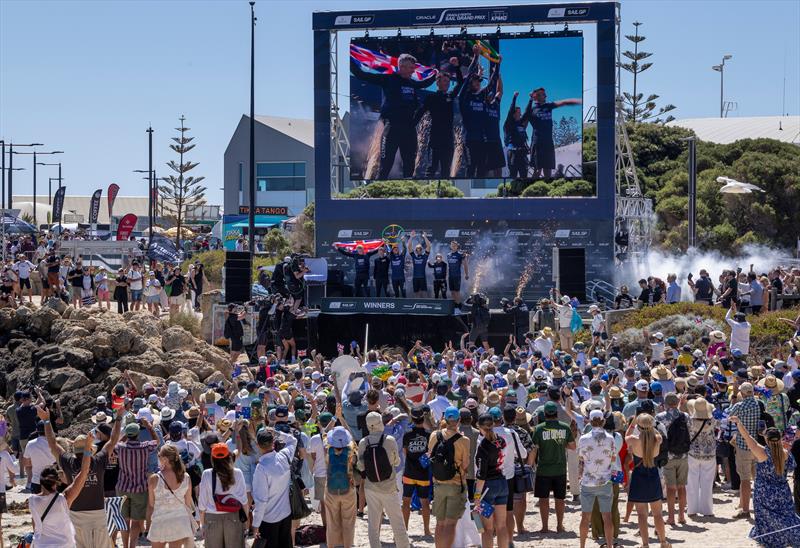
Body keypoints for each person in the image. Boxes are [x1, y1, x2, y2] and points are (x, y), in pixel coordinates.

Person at [42, 405, 121, 548]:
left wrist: (47, 421)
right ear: (90, 449)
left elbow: (52, 443)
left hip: (76, 514)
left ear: (74, 450)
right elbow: (113, 439)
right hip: (97, 514)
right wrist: (119, 417)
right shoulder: (98, 461)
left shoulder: (68, 462)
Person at [351, 52, 437, 179]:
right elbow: (361, 74)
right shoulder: (388, 79)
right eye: (411, 68)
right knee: (386, 164)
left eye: (414, 68)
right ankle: (380, 191)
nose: (413, 71)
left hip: (409, 128)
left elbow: (424, 83)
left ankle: (409, 192)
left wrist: (434, 74)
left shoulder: (412, 82)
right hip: (392, 127)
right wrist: (349, 60)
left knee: (409, 164)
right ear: (402, 66)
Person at [731, 416, 800, 547]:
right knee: (787, 517)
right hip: (782, 492)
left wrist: (739, 423)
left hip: (764, 493)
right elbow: (791, 466)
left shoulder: (762, 452)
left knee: (766, 520)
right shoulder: (785, 453)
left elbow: (747, 438)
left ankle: (770, 542)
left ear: (766, 440)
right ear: (780, 439)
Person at [29, 432, 93, 548]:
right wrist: (87, 448)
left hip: (41, 545)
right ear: (56, 482)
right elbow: (84, 473)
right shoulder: (63, 499)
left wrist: (46, 421)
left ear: (41, 482)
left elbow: (35, 525)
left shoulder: (32, 500)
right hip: (64, 544)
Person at [357, 411, 410, 548]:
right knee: (398, 524)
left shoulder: (363, 442)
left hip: (371, 486)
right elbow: (396, 462)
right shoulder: (389, 440)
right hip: (389, 487)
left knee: (373, 525)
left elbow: (361, 466)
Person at [625, 413, 670, 548]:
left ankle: (645, 544)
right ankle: (663, 542)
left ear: (639, 426)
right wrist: (650, 425)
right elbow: (656, 433)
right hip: (653, 475)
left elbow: (626, 435)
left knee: (641, 515)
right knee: (657, 514)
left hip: (639, 476)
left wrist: (633, 422)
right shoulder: (657, 438)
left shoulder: (633, 440)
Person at [413, 64, 465, 178]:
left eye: (448, 81)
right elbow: (420, 112)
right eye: (444, 81)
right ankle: (428, 192)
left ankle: (445, 193)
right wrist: (411, 125)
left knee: (446, 169)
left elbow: (460, 82)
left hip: (448, 139)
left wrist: (457, 67)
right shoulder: (431, 98)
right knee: (432, 167)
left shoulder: (451, 96)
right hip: (435, 138)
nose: (447, 83)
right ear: (438, 82)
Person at [531, 401, 575, 533]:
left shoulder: (539, 429)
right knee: (560, 499)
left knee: (543, 500)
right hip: (560, 469)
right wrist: (562, 445)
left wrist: (530, 464)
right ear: (556, 413)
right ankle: (559, 526)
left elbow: (534, 449)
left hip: (543, 469)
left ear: (544, 414)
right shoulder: (565, 427)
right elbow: (573, 446)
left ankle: (545, 527)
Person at [428, 406, 469, 548]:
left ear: (445, 419)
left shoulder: (434, 435)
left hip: (438, 483)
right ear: (458, 421)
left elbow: (430, 455)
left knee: (439, 523)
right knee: (451, 524)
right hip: (455, 484)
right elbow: (465, 465)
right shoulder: (464, 440)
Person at [251, 426, 298, 546]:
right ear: (273, 442)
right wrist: (277, 432)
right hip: (286, 513)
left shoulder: (261, 468)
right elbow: (293, 440)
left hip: (269, 519)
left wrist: (255, 525)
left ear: (258, 445)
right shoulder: (284, 457)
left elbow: (261, 500)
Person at [577, 409, 617, 548]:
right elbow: (613, 458)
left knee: (585, 517)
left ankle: (582, 545)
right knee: (607, 516)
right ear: (602, 420)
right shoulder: (610, 438)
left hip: (588, 482)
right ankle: (610, 545)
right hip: (605, 481)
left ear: (589, 420)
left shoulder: (583, 438)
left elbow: (581, 457)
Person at [116, 421, 160, 548]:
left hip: (122, 487)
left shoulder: (120, 448)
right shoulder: (144, 447)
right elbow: (157, 441)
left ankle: (124, 546)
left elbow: (118, 442)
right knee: (136, 521)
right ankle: (132, 546)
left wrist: (125, 435)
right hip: (140, 488)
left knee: (124, 520)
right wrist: (149, 427)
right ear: (138, 434)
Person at [198, 443, 248, 547]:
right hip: (233, 517)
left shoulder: (207, 474)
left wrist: (202, 525)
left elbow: (202, 504)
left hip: (212, 518)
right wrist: (245, 524)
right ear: (229, 456)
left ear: (212, 458)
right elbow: (244, 502)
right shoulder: (237, 473)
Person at [525, 87, 581, 178]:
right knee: (537, 170)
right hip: (537, 142)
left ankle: (547, 189)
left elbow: (564, 102)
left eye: (544, 94)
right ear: (536, 96)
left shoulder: (549, 106)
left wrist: (578, 101)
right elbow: (523, 125)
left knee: (548, 170)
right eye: (541, 94)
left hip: (548, 143)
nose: (545, 95)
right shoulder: (532, 110)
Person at [147, 445, 196, 548]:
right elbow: (187, 503)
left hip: (160, 521)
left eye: (159, 455)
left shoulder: (154, 479)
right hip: (180, 522)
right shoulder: (186, 477)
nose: (158, 456)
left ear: (165, 459)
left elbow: (151, 504)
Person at [474, 412, 508, 548]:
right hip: (502, 483)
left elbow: (481, 475)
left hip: (488, 487)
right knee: (501, 526)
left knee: (487, 529)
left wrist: (477, 496)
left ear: (479, 427)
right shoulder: (500, 440)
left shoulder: (483, 447)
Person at [655, 393, 690, 525]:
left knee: (670, 488)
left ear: (665, 403)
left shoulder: (660, 417)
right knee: (681, 487)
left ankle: (671, 517)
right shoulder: (685, 416)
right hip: (683, 455)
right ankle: (681, 516)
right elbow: (690, 431)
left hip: (668, 455)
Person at [728, 381, 761, 518]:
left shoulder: (739, 406)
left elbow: (729, 417)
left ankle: (745, 510)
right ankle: (750, 505)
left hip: (743, 445)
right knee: (757, 479)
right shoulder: (759, 404)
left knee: (745, 479)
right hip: (757, 446)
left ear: (742, 392)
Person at [323, 426, 358, 548]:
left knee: (332, 522)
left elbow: (325, 434)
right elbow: (352, 438)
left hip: (331, 489)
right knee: (348, 522)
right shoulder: (351, 451)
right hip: (348, 488)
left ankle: (331, 545)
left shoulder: (327, 450)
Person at [401, 406, 432, 535]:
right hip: (423, 472)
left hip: (409, 471)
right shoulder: (428, 435)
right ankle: (426, 530)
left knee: (406, 501)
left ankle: (405, 529)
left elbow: (404, 452)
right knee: (424, 502)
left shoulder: (407, 434)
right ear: (423, 418)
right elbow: (430, 453)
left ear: (412, 419)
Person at [686, 397, 717, 517]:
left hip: (693, 453)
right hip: (709, 454)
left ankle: (692, 509)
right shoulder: (712, 421)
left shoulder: (689, 421)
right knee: (707, 482)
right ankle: (707, 509)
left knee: (692, 481)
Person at [503, 90, 532, 179]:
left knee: (524, 175)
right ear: (514, 114)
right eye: (518, 112)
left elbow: (527, 113)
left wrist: (531, 99)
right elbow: (510, 111)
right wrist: (514, 98)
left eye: (520, 112)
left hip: (522, 153)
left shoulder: (520, 123)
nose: (520, 114)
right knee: (513, 176)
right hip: (513, 153)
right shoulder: (509, 124)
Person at [407, 231, 431, 298]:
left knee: (424, 293)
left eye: (420, 249)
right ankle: (417, 306)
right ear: (415, 250)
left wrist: (425, 237)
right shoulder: (414, 256)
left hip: (422, 277)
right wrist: (411, 237)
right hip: (415, 277)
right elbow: (409, 246)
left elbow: (429, 246)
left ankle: (425, 305)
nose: (418, 250)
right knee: (416, 293)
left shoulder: (424, 256)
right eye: (417, 249)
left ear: (421, 249)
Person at [446, 241, 469, 310]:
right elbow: (448, 266)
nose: (453, 247)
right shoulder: (448, 255)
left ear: (457, 246)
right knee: (452, 292)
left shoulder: (460, 255)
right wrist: (446, 275)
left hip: (457, 276)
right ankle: (454, 306)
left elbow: (465, 264)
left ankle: (458, 307)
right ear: (450, 246)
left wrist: (466, 274)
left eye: (455, 245)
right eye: (452, 245)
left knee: (457, 292)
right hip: (450, 276)